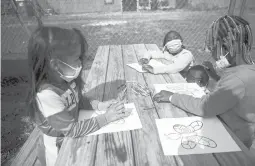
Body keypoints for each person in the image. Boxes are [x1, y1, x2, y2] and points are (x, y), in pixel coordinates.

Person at [26, 26, 131, 166]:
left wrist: (100, 105)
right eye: (76, 59)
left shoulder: (65, 81)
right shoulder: (48, 96)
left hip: (74, 139)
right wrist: (106, 118)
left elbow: (78, 101)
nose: (81, 63)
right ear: (56, 65)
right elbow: (72, 130)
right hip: (58, 151)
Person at [153, 15, 255, 149]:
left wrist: (172, 96)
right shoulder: (247, 69)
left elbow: (205, 107)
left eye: (212, 48)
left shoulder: (237, 79)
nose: (212, 55)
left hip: (233, 142)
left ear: (226, 46)